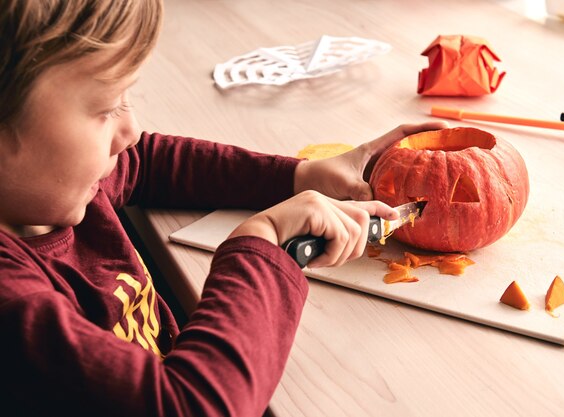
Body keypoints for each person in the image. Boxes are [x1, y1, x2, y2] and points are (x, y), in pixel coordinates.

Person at [0, 1, 446, 416]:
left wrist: (296, 177)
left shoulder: (52, 189)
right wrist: (262, 242)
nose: (132, 130)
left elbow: (148, 162)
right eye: (105, 107)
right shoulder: (14, 307)